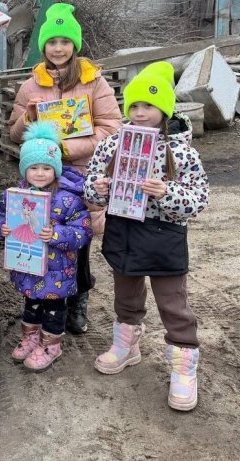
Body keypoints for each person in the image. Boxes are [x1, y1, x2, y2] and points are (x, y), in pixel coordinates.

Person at [84, 62, 209, 411]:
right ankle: (127, 345)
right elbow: (89, 194)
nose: (140, 113)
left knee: (173, 302)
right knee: (126, 294)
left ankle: (184, 367)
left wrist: (166, 193)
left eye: (148, 106)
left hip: (164, 236)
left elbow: (199, 199)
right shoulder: (111, 146)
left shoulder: (183, 152)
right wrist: (99, 189)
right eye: (134, 106)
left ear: (164, 109)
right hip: (123, 232)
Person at [8, 2, 122, 335]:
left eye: (65, 41)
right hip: (42, 178)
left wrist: (67, 149)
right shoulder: (31, 85)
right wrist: (27, 119)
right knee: (40, 237)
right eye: (52, 42)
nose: (58, 48)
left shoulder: (93, 80)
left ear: (75, 45)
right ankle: (39, 299)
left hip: (81, 175)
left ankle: (77, 302)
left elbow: (111, 128)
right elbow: (14, 132)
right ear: (44, 46)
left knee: (77, 241)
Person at [0, 122, 92, 371]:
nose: (39, 173)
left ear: (56, 169)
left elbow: (83, 232)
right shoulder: (15, 195)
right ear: (24, 169)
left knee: (54, 309)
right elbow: (0, 218)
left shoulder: (69, 199)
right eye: (33, 167)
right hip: (27, 264)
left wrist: (56, 233)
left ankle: (51, 345)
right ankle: (31, 337)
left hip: (57, 271)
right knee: (31, 303)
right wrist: (2, 229)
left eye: (46, 168)